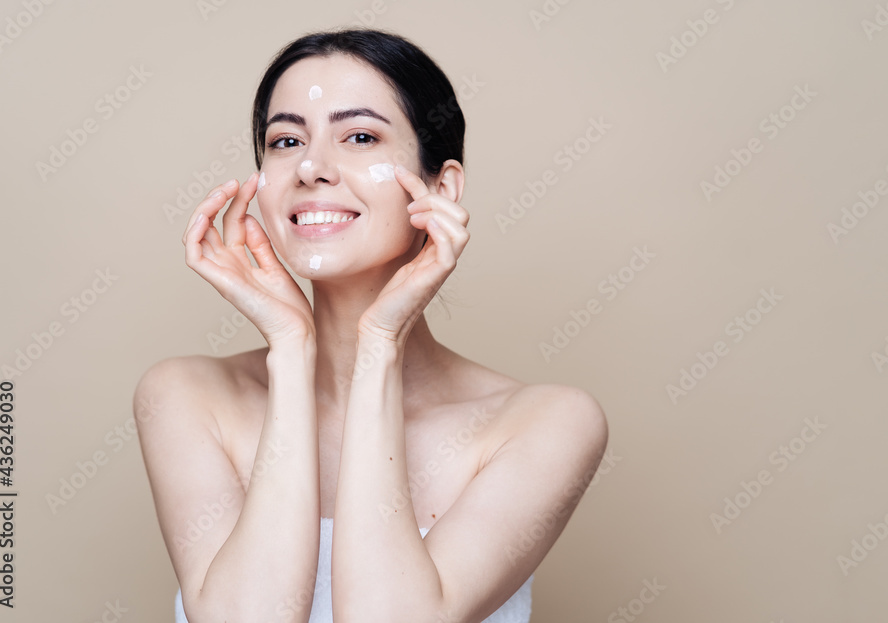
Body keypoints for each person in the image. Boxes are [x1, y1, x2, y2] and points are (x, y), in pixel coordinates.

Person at [134, 27, 609, 623]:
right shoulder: (186, 396)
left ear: (441, 187)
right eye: (285, 140)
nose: (311, 166)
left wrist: (379, 346)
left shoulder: (545, 423)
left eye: (360, 136)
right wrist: (289, 348)